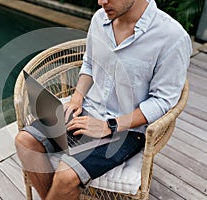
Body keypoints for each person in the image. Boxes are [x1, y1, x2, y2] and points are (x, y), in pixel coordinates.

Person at [15, 0, 192, 199]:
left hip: (126, 130)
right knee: (25, 142)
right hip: (86, 111)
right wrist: (77, 97)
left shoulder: (172, 38)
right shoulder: (100, 19)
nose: (101, 1)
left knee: (65, 177)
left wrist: (109, 126)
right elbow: (90, 63)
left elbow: (162, 101)